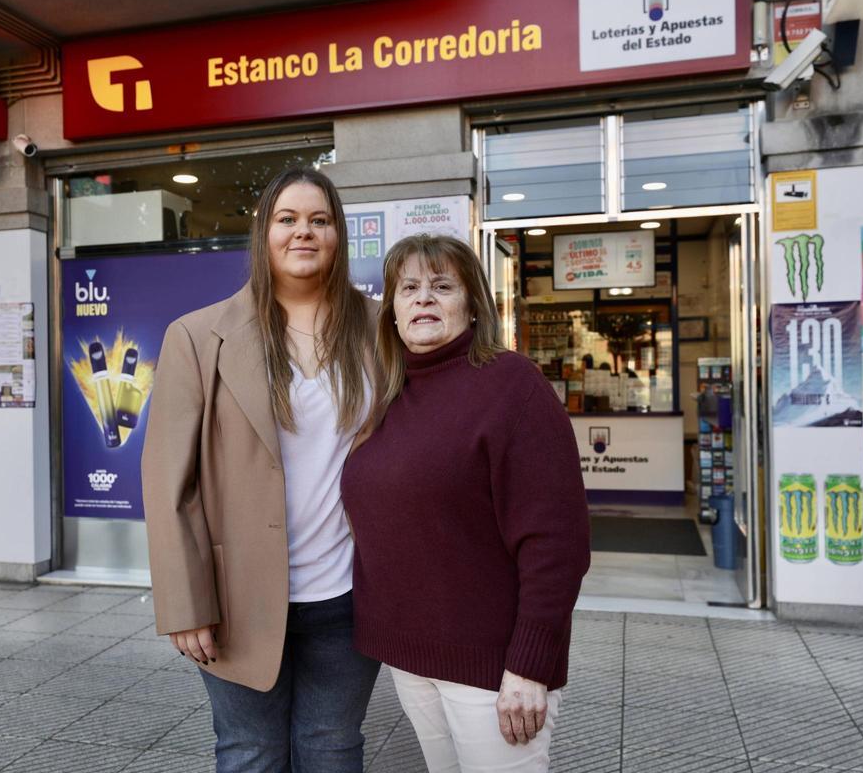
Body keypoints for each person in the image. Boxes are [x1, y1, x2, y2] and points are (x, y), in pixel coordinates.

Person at [141, 166, 381, 772]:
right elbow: (170, 481)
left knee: (332, 748)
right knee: (250, 752)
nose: (304, 232)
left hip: (351, 594)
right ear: (263, 234)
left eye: (320, 220)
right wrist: (184, 602)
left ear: (339, 234)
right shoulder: (198, 337)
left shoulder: (382, 330)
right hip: (235, 597)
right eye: (288, 219)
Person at [342, 234, 591, 772]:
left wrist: (529, 666)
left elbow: (557, 544)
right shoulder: (388, 392)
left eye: (441, 286)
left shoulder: (513, 386)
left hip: (495, 668)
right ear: (391, 311)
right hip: (411, 658)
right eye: (408, 288)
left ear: (473, 303)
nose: (423, 299)